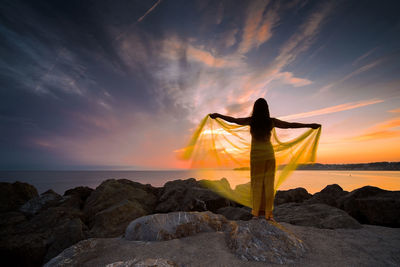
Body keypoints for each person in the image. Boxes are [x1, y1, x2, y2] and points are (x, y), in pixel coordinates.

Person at [209, 98, 320, 221]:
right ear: (267, 109)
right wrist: (309, 125)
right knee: (268, 184)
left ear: (255, 109)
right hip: (268, 155)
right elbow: (290, 125)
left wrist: (218, 115)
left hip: (256, 156)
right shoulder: (271, 121)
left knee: (257, 184)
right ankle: (269, 215)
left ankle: (256, 214)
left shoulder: (251, 121)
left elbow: (234, 120)